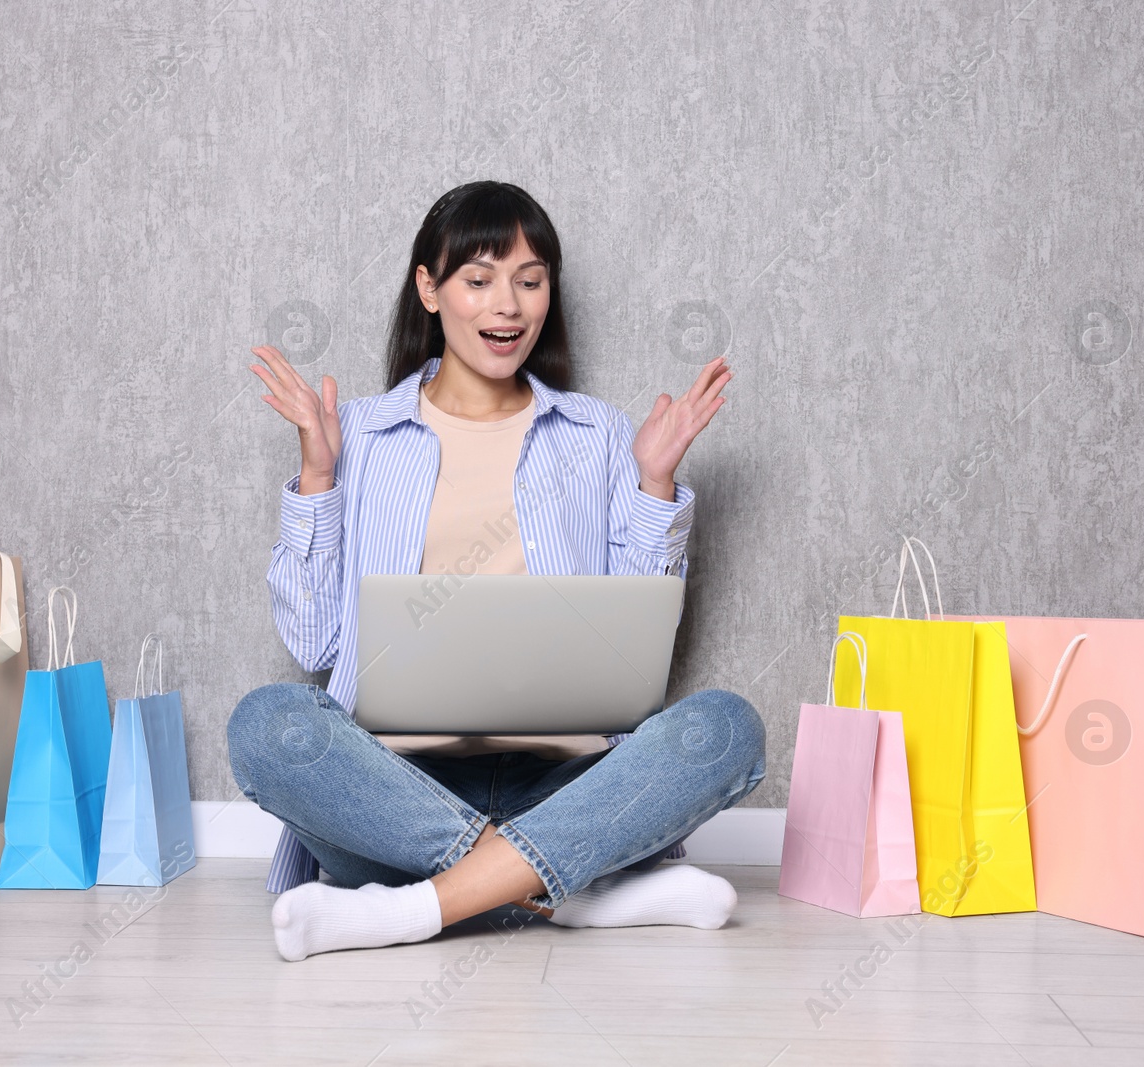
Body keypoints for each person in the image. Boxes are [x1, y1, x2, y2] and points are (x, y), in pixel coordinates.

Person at [227, 180, 766, 961]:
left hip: (570, 783)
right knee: (266, 723)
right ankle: (571, 893)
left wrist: (652, 482)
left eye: (529, 278)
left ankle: (415, 909)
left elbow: (634, 650)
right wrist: (317, 476)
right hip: (395, 793)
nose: (507, 304)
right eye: (478, 279)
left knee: (727, 728)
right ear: (430, 289)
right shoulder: (362, 436)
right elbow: (312, 643)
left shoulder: (596, 433)